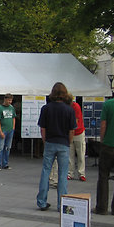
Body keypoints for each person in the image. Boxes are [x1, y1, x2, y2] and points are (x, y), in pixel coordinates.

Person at [36, 82, 76, 211]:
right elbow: (72, 130)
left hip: (50, 142)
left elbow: (43, 128)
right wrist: (68, 143)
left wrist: (45, 140)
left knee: (46, 171)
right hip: (63, 143)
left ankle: (42, 201)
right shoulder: (69, 109)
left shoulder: (46, 108)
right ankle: (61, 204)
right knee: (63, 174)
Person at [94, 81, 114, 215]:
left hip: (109, 144)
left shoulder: (109, 104)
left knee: (104, 175)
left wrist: (102, 140)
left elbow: (103, 124)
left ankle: (102, 207)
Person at [67, 94, 86, 181]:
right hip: (71, 132)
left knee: (80, 154)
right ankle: (70, 173)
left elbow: (76, 122)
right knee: (70, 155)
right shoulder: (66, 107)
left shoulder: (76, 107)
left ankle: (81, 173)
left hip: (78, 133)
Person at [0, 93, 16, 171]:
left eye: (11, 100)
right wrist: (0, 131)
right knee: (0, 148)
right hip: (3, 130)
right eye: (9, 100)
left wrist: (13, 127)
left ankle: (5, 163)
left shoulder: (12, 108)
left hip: (10, 130)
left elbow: (13, 117)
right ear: (5, 99)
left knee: (7, 147)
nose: (10, 102)